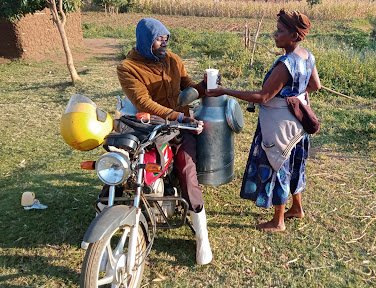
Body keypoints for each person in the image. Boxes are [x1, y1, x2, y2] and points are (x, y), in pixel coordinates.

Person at [206, 10, 321, 232]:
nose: (274, 34)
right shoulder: (307, 55)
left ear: (294, 36)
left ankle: (278, 221)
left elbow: (263, 97)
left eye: (280, 31)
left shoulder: (286, 64)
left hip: (280, 123)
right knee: (294, 164)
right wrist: (295, 95)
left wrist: (225, 91)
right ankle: (296, 208)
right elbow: (315, 86)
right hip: (299, 122)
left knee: (278, 164)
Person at [117, 18, 212, 265]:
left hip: (182, 126)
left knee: (186, 168)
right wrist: (176, 114)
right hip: (153, 127)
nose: (164, 43)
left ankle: (202, 235)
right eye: (160, 38)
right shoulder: (128, 68)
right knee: (131, 166)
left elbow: (187, 87)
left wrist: (203, 86)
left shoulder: (173, 60)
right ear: (146, 40)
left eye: (166, 38)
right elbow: (143, 103)